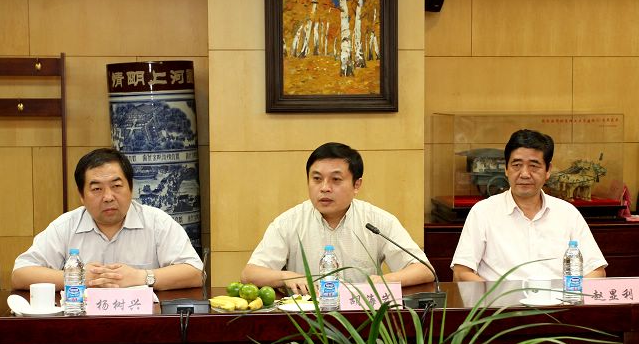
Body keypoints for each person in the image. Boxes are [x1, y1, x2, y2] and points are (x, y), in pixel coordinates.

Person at [241, 142, 435, 295]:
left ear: (356, 185)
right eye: (317, 179)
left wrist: (383, 280)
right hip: (304, 321)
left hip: (363, 318)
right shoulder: (288, 222)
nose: (325, 188)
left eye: (336, 180)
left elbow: (425, 270)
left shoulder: (377, 221)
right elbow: (250, 274)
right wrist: (288, 277)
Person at [12, 148, 203, 291]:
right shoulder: (66, 226)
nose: (108, 197)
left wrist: (141, 277)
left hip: (144, 324)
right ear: (81, 195)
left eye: (116, 186)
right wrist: (77, 277)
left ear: (131, 188)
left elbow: (196, 273)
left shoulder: (157, 222)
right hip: (84, 325)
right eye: (97, 189)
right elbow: (20, 274)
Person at [452, 129, 607, 282]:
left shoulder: (568, 213)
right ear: (506, 169)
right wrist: (495, 294)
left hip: (558, 297)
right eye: (517, 165)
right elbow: (461, 273)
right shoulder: (483, 212)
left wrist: (569, 293)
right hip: (500, 298)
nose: (525, 174)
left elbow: (596, 271)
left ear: (548, 170)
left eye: (534, 166)